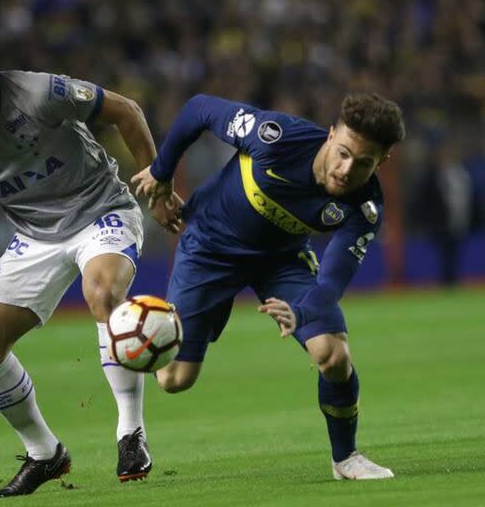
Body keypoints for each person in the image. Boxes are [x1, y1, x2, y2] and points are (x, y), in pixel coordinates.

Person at [0, 18, 178, 498]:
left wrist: (156, 185)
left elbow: (127, 110)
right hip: (35, 237)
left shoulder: (41, 93)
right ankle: (45, 453)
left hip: (101, 210)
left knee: (103, 293)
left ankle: (130, 433)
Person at [132, 92, 405, 480]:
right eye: (343, 152)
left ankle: (345, 458)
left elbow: (332, 280)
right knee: (174, 380)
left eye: (363, 163)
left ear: (382, 162)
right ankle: (144, 326)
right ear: (331, 135)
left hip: (280, 261)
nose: (346, 169)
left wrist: (304, 312)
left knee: (333, 355)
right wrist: (161, 173)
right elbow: (198, 109)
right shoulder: (273, 136)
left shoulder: (364, 208)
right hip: (210, 248)